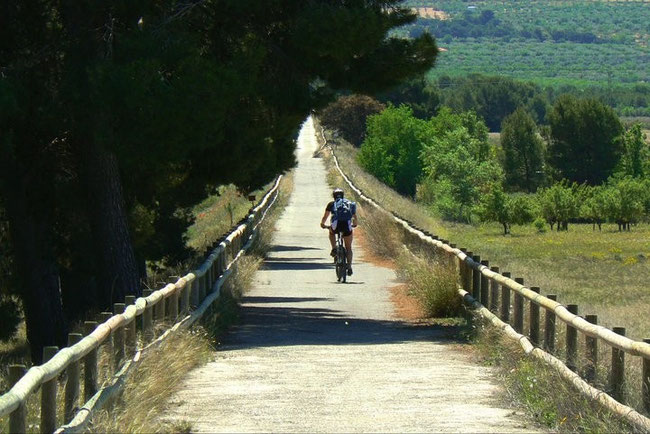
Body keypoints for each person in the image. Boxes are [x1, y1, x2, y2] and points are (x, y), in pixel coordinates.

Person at [320, 188, 357, 275]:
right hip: (347, 226)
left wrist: (322, 224)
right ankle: (349, 266)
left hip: (336, 225)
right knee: (348, 248)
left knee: (331, 232)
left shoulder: (332, 204)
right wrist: (354, 224)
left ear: (334, 196)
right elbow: (355, 217)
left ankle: (334, 248)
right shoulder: (349, 204)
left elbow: (325, 216)